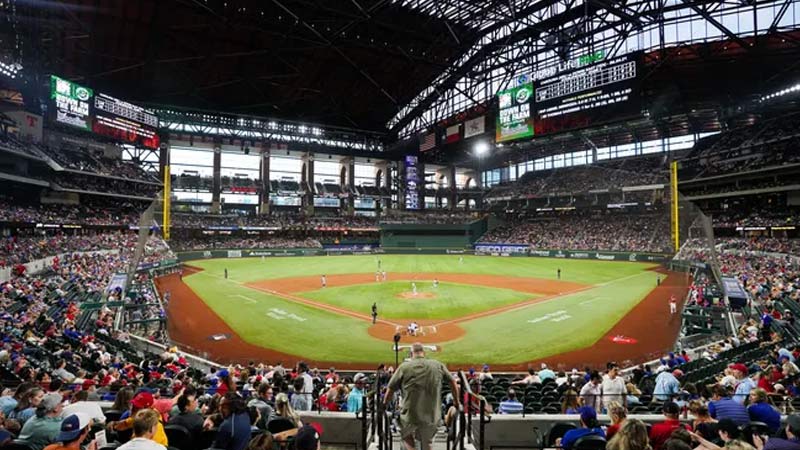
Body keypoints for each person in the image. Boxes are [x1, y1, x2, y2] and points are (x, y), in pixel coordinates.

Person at [383, 342, 460, 450]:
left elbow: (390, 389)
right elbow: (453, 382)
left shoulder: (404, 367)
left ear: (411, 354)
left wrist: (384, 405)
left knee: (406, 437)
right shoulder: (438, 365)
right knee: (427, 442)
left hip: (409, 416)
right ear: (423, 353)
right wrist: (456, 402)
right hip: (432, 416)